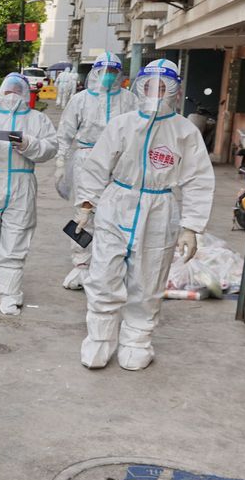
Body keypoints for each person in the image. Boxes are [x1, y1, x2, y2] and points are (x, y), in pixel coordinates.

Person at [74, 58, 215, 370]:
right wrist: (87, 204)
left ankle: (137, 341)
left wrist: (190, 226)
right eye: (151, 86)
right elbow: (97, 166)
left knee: (148, 280)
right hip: (117, 203)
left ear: (175, 93)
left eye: (163, 87)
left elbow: (199, 180)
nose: (156, 93)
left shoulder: (185, 132)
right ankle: (99, 340)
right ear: (140, 87)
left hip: (160, 207)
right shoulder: (122, 125)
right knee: (103, 275)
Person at [0, 73, 58, 315]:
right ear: (0, 92)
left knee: (16, 241)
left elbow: (50, 148)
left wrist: (28, 144)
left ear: (26, 94)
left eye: (18, 90)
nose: (12, 95)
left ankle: (10, 294)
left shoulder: (38, 120)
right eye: (8, 90)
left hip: (21, 182)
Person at [54, 52, 138, 290]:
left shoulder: (129, 99)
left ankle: (110, 264)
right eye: (104, 72)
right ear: (95, 72)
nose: (109, 77)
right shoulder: (81, 100)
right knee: (84, 212)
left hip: (120, 162)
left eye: (113, 72)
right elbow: (66, 131)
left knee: (117, 213)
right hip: (86, 159)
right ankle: (81, 264)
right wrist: (61, 161)